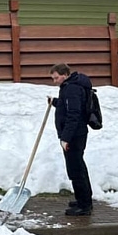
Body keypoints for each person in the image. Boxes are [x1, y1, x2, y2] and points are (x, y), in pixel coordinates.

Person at [49, 63, 95, 217]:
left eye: (56, 78)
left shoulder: (72, 88)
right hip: (77, 134)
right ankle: (84, 199)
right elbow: (69, 107)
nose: (55, 81)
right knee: (79, 166)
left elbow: (74, 115)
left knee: (75, 170)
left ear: (65, 74)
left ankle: (84, 206)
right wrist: (55, 102)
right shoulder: (70, 86)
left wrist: (65, 138)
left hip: (74, 136)